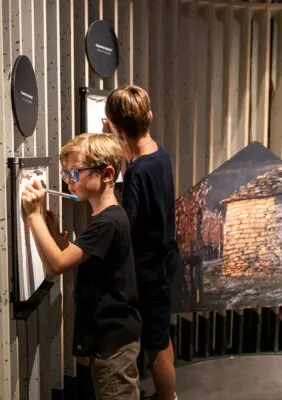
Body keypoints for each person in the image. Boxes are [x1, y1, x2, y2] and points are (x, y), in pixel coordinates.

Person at [21, 133, 142, 400]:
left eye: (74, 173)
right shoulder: (108, 216)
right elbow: (67, 257)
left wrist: (33, 215)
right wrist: (55, 236)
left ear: (107, 174)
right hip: (113, 338)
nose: (68, 181)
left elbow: (57, 265)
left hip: (114, 343)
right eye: (66, 174)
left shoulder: (107, 222)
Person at [104, 85, 179, 400]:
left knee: (154, 344)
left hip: (148, 269)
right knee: (161, 333)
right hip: (165, 260)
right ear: (149, 116)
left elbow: (128, 221)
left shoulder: (137, 170)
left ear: (117, 128)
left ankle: (167, 397)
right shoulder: (160, 154)